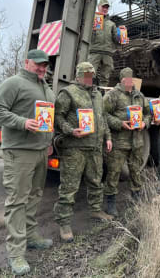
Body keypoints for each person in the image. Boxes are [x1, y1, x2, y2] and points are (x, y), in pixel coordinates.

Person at [0, 49, 55, 276]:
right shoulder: (13, 83)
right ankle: (16, 253)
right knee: (17, 200)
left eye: (45, 64)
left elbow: (47, 119)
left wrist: (49, 142)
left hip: (40, 151)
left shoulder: (46, 87)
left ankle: (31, 236)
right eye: (37, 64)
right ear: (27, 62)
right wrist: (22, 122)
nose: (42, 68)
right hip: (19, 152)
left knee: (35, 195)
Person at [53, 61, 113, 243]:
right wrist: (70, 130)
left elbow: (102, 119)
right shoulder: (68, 93)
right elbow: (57, 117)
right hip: (75, 148)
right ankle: (64, 223)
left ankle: (96, 209)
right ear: (78, 75)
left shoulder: (97, 94)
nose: (89, 78)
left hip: (94, 147)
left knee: (95, 181)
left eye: (91, 75)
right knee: (69, 187)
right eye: (86, 75)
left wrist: (108, 137)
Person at [103, 68, 151, 216]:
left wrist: (144, 123)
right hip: (119, 142)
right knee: (114, 172)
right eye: (126, 80)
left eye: (131, 79)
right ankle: (110, 202)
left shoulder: (139, 95)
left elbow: (148, 113)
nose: (129, 82)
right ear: (121, 80)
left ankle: (136, 196)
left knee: (136, 171)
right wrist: (119, 123)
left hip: (137, 141)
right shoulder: (112, 95)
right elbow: (103, 114)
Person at [88, 0, 120, 86]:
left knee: (105, 76)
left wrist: (121, 38)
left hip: (107, 52)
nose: (105, 9)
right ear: (98, 7)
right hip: (94, 50)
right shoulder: (92, 20)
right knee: (88, 73)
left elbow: (115, 39)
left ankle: (103, 94)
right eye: (103, 7)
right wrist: (92, 28)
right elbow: (86, 34)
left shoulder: (111, 24)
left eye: (107, 7)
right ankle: (85, 92)